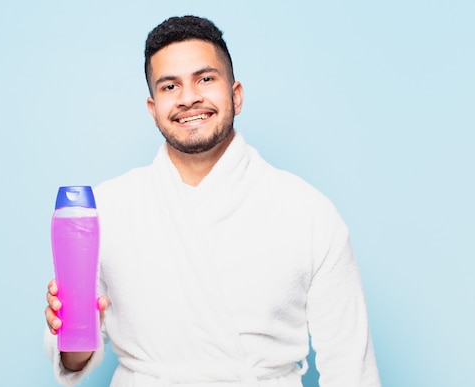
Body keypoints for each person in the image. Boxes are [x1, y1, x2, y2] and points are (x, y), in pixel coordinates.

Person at [44, 15, 381, 387]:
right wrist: (69, 331)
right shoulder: (105, 208)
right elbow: (75, 354)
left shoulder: (308, 212)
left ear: (236, 94)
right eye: (170, 86)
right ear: (152, 108)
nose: (189, 98)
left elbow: (351, 367)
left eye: (205, 79)